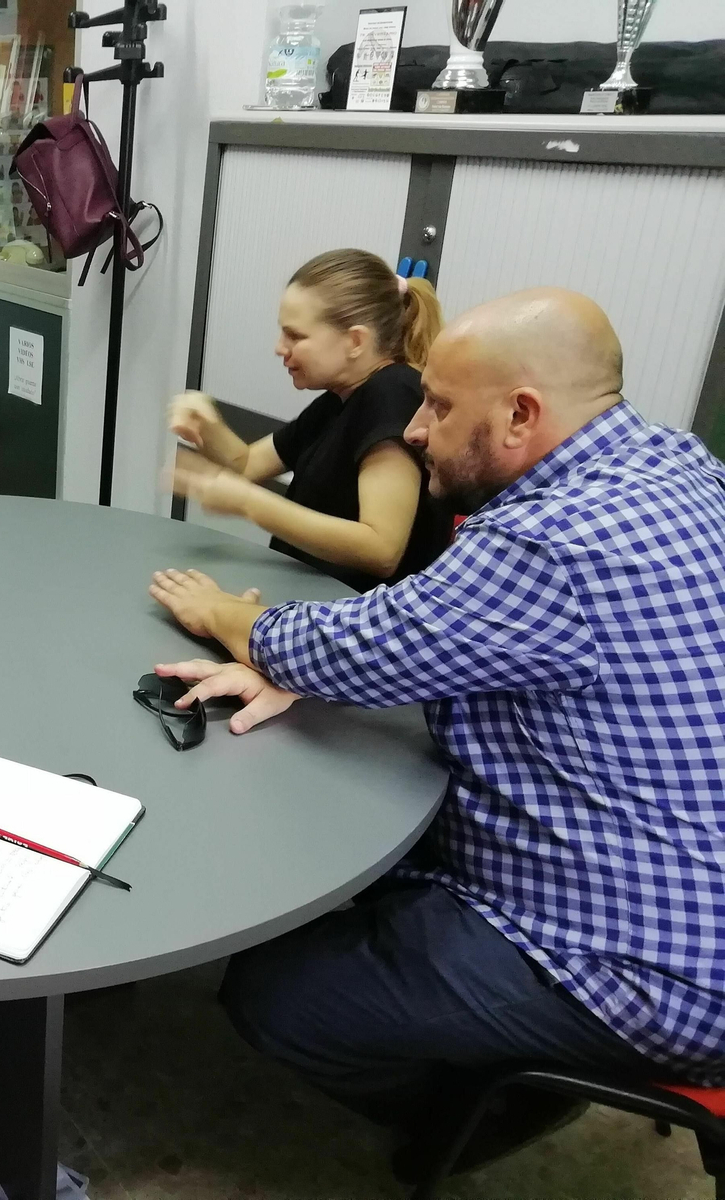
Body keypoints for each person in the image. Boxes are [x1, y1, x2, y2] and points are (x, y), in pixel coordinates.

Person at [150, 289, 725, 1182]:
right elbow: (428, 631)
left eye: (441, 407)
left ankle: (489, 1107)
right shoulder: (679, 465)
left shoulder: (550, 540)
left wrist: (236, 621)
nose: (417, 429)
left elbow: (360, 641)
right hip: (693, 881)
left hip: (639, 957)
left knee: (277, 997)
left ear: (521, 415)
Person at [165, 249, 450, 593]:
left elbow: (382, 548)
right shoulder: (337, 400)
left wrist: (247, 503)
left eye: (295, 336)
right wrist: (207, 428)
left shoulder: (392, 396)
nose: (279, 348)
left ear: (355, 341)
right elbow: (248, 464)